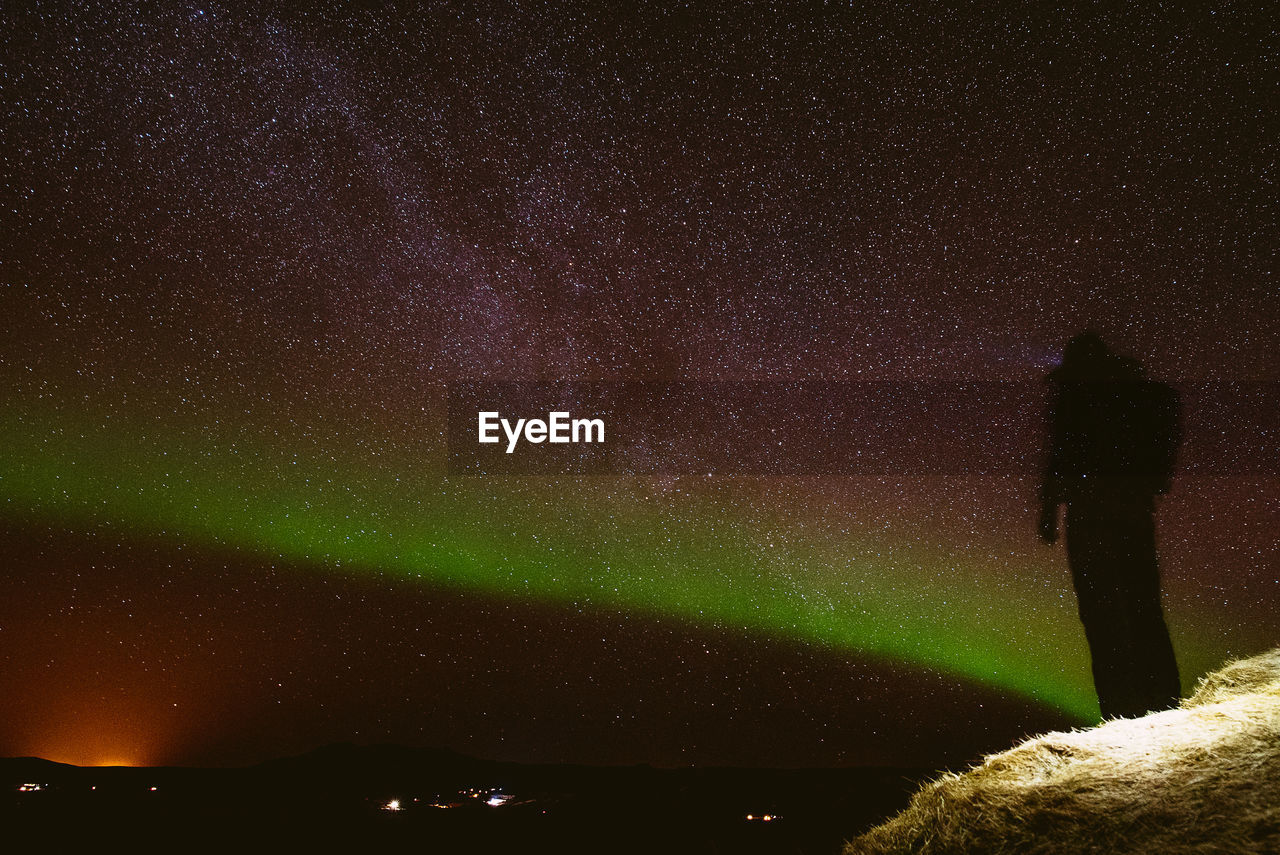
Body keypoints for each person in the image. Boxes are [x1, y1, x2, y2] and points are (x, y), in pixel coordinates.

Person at [1038, 331, 1182, 719]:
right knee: (1143, 608)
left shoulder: (1076, 397)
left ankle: (1121, 713)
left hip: (1091, 516)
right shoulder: (1140, 395)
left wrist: (1049, 510)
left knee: (1103, 616)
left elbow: (1062, 452)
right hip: (1133, 511)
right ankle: (1164, 705)